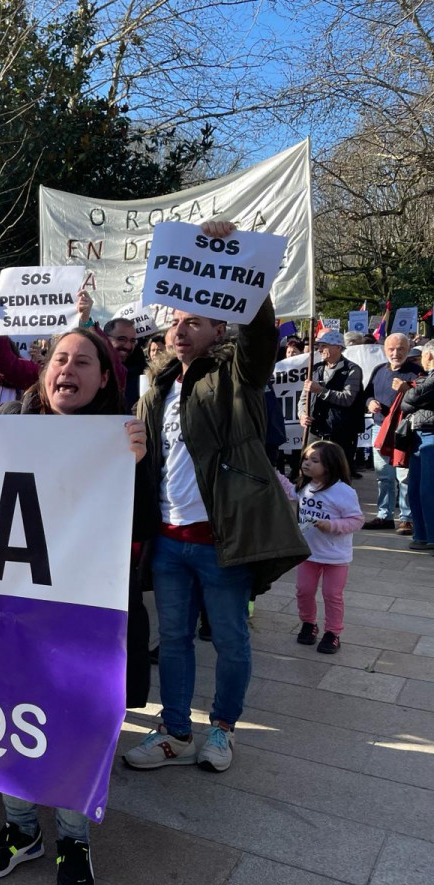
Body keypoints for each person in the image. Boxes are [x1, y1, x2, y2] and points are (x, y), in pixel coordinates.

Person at [0, 328, 152, 885]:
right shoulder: (8, 430)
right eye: (60, 359)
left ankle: (74, 837)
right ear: (45, 372)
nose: (67, 368)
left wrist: (137, 466)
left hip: (82, 619)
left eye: (83, 361)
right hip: (11, 614)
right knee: (4, 720)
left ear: (104, 378)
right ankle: (22, 829)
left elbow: (143, 528)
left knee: (73, 724)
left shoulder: (123, 440)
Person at [123, 220, 308, 775]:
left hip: (221, 539)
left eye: (194, 322)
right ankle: (174, 730)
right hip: (171, 541)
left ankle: (223, 729)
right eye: (176, 322)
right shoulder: (156, 386)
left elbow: (260, 335)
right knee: (174, 640)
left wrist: (238, 266)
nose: (180, 331)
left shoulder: (237, 375)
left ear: (218, 328)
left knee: (230, 641)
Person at [276, 441, 363, 655]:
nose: (307, 463)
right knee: (304, 591)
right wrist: (273, 473)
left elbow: (357, 520)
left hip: (336, 556)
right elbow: (290, 492)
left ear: (331, 465)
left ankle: (333, 633)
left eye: (314, 460)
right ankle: (308, 624)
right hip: (308, 553)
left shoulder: (344, 492)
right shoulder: (305, 486)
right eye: (305, 458)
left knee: (332, 594)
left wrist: (331, 525)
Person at [363, 334, 423, 532]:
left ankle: (407, 518)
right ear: (384, 350)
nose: (395, 353)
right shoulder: (379, 370)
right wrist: (370, 402)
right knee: (383, 475)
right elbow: (367, 394)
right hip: (381, 429)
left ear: (408, 349)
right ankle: (384, 516)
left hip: (405, 430)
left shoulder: (417, 372)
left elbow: (423, 399)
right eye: (391, 349)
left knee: (404, 475)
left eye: (400, 349)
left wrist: (406, 390)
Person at [300, 331, 365, 480]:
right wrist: (302, 415)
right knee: (309, 471)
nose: (320, 350)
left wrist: (321, 391)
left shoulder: (352, 370)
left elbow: (348, 398)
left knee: (339, 474)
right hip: (316, 430)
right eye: (319, 346)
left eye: (324, 346)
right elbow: (304, 397)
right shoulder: (315, 368)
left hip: (341, 431)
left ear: (337, 347)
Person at [401, 346, 434, 552]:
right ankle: (421, 534)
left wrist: (410, 392)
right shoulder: (427, 377)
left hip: (431, 434)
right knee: (414, 489)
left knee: (427, 489)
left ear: (429, 355)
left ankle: (431, 536)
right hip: (418, 433)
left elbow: (410, 398)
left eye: (422, 355)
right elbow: (408, 401)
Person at [104, 317, 145, 411]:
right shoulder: (93, 370)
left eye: (132, 341)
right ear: (105, 339)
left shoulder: (143, 372)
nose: (128, 346)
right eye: (121, 339)